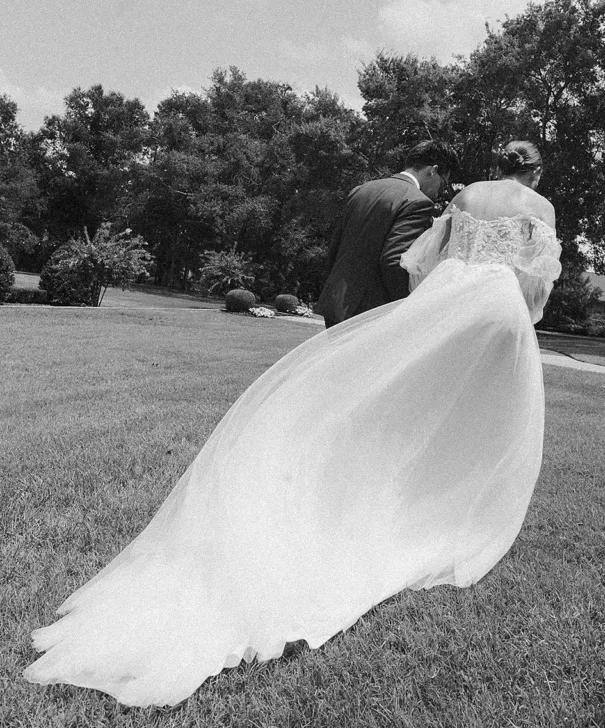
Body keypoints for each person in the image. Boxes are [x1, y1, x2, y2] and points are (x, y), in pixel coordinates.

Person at [24, 139, 560, 709]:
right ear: (535, 170)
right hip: (498, 308)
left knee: (394, 401)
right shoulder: (541, 208)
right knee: (476, 414)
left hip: (444, 300)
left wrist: (420, 317)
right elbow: (536, 283)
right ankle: (438, 496)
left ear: (497, 163)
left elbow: (427, 262)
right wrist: (515, 314)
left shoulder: (466, 195)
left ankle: (391, 479)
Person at [316, 140, 459, 327]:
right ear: (433, 170)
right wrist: (408, 307)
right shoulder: (417, 202)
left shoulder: (361, 190)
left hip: (336, 305)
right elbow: (393, 261)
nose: (438, 192)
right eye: (442, 183)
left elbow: (335, 248)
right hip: (371, 312)